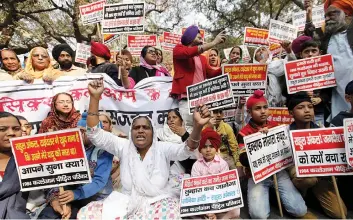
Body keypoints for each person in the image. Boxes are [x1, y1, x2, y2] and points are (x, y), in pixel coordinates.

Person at [77, 78, 212, 219]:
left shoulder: (162, 148)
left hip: (158, 202)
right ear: (131, 132)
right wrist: (94, 97)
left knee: (171, 214)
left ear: (153, 133)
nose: (140, 130)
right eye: (136, 127)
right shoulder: (123, 146)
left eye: (145, 127)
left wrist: (197, 126)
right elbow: (94, 134)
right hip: (125, 201)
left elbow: (186, 149)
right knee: (86, 213)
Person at [237, 90, 308, 219]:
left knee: (300, 211)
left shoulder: (276, 127)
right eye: (258, 108)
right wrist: (260, 140)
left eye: (265, 107)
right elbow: (243, 160)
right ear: (249, 112)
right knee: (259, 216)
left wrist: (271, 136)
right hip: (257, 176)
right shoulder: (243, 133)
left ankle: (275, 197)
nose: (263, 111)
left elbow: (286, 150)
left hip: (278, 172)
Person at [38, 113, 113, 219]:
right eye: (79, 131)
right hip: (74, 197)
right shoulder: (69, 149)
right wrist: (57, 198)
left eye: (86, 131)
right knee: (50, 215)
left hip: (99, 199)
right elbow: (56, 176)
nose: (81, 134)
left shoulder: (104, 150)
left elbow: (99, 181)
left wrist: (76, 194)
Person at [286, 92, 347, 218]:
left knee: (340, 213)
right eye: (301, 107)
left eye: (310, 107)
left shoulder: (322, 130)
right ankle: (298, 198)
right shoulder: (285, 133)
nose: (307, 111)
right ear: (291, 113)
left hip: (320, 174)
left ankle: (312, 196)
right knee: (308, 179)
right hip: (297, 174)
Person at [172, 26, 226, 132]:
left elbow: (211, 73)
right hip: (187, 99)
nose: (201, 38)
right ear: (190, 37)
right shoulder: (178, 49)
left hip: (202, 100)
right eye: (198, 36)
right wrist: (214, 42)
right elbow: (188, 53)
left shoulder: (202, 58)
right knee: (190, 130)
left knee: (206, 129)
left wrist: (227, 66)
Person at [305, 0, 353, 119]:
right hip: (337, 98)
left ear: (346, 14)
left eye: (331, 14)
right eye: (325, 16)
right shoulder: (325, 38)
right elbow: (309, 37)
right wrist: (308, 15)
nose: (326, 19)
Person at [191, 128, 240, 219]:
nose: (208, 150)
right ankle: (209, 215)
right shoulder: (196, 165)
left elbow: (226, 187)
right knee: (190, 209)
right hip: (203, 199)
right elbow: (195, 189)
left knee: (236, 209)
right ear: (200, 149)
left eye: (211, 146)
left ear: (216, 147)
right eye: (205, 147)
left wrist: (215, 206)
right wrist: (208, 209)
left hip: (219, 197)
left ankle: (216, 217)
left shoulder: (222, 164)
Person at [289, 37, 331, 126]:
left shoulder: (327, 68)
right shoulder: (293, 71)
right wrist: (302, 93)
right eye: (307, 51)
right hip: (301, 116)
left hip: (321, 111)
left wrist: (321, 98)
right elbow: (287, 92)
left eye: (314, 51)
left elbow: (330, 91)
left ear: (320, 53)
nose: (310, 54)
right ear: (301, 54)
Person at [156, 109, 196, 197]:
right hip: (162, 174)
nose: (171, 120)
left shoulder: (189, 134)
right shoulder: (158, 134)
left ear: (181, 120)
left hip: (181, 173)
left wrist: (184, 135)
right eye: (169, 118)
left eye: (174, 117)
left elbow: (195, 154)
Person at [0, 112, 29, 219]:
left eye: (16, 128)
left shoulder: (33, 157)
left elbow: (49, 187)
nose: (11, 133)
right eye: (3, 129)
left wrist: (54, 199)